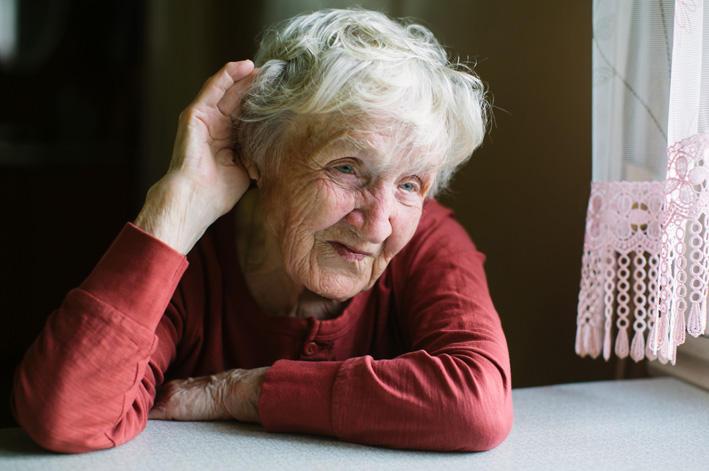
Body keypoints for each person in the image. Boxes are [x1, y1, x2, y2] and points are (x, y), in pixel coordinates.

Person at [12, 8, 512, 453]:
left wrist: (245, 392)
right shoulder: (194, 255)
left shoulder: (427, 244)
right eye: (346, 168)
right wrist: (178, 203)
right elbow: (66, 415)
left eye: (409, 183)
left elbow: (475, 404)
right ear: (259, 152)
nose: (379, 223)